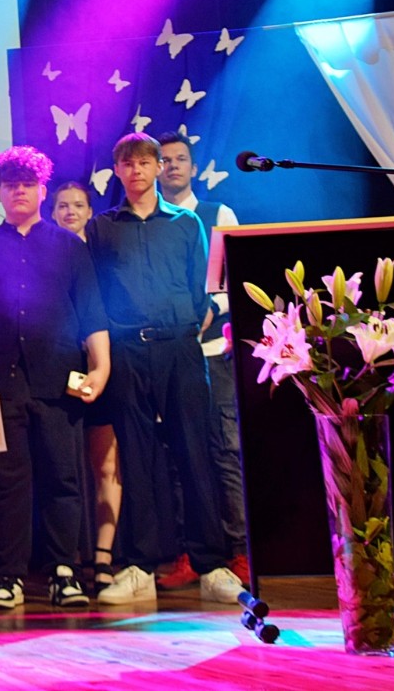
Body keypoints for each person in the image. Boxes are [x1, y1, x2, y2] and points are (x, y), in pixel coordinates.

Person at [85, 133, 242, 605]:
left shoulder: (186, 222)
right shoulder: (102, 227)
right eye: (127, 164)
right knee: (136, 458)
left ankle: (211, 564)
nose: (136, 171)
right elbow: (96, 293)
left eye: (143, 162)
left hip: (180, 350)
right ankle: (141, 565)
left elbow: (203, 289)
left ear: (157, 168)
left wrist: (190, 324)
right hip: (128, 352)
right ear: (118, 171)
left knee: (196, 453)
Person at [0, 147, 110, 611]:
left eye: (26, 184)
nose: (18, 191)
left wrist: (101, 367)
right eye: (10, 185)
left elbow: (91, 312)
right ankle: (9, 575)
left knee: (63, 477)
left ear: (42, 190)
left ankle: (63, 572)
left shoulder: (69, 246)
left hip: (59, 381)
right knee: (4, 481)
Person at [155, 132, 247, 588]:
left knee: (224, 450)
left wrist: (210, 309)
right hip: (167, 354)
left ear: (193, 168)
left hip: (212, 352)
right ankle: (191, 552)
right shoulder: (148, 222)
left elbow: (235, 279)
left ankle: (241, 550)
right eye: (164, 159)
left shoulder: (217, 214)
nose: (172, 165)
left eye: (180, 159)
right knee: (178, 454)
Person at [50, 180, 120, 591]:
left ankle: (104, 557)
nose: (70, 212)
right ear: (52, 211)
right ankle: (69, 557)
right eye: (62, 205)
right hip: (60, 369)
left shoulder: (102, 255)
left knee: (105, 464)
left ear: (90, 211)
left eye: (78, 205)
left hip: (102, 365)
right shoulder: (44, 253)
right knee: (64, 467)